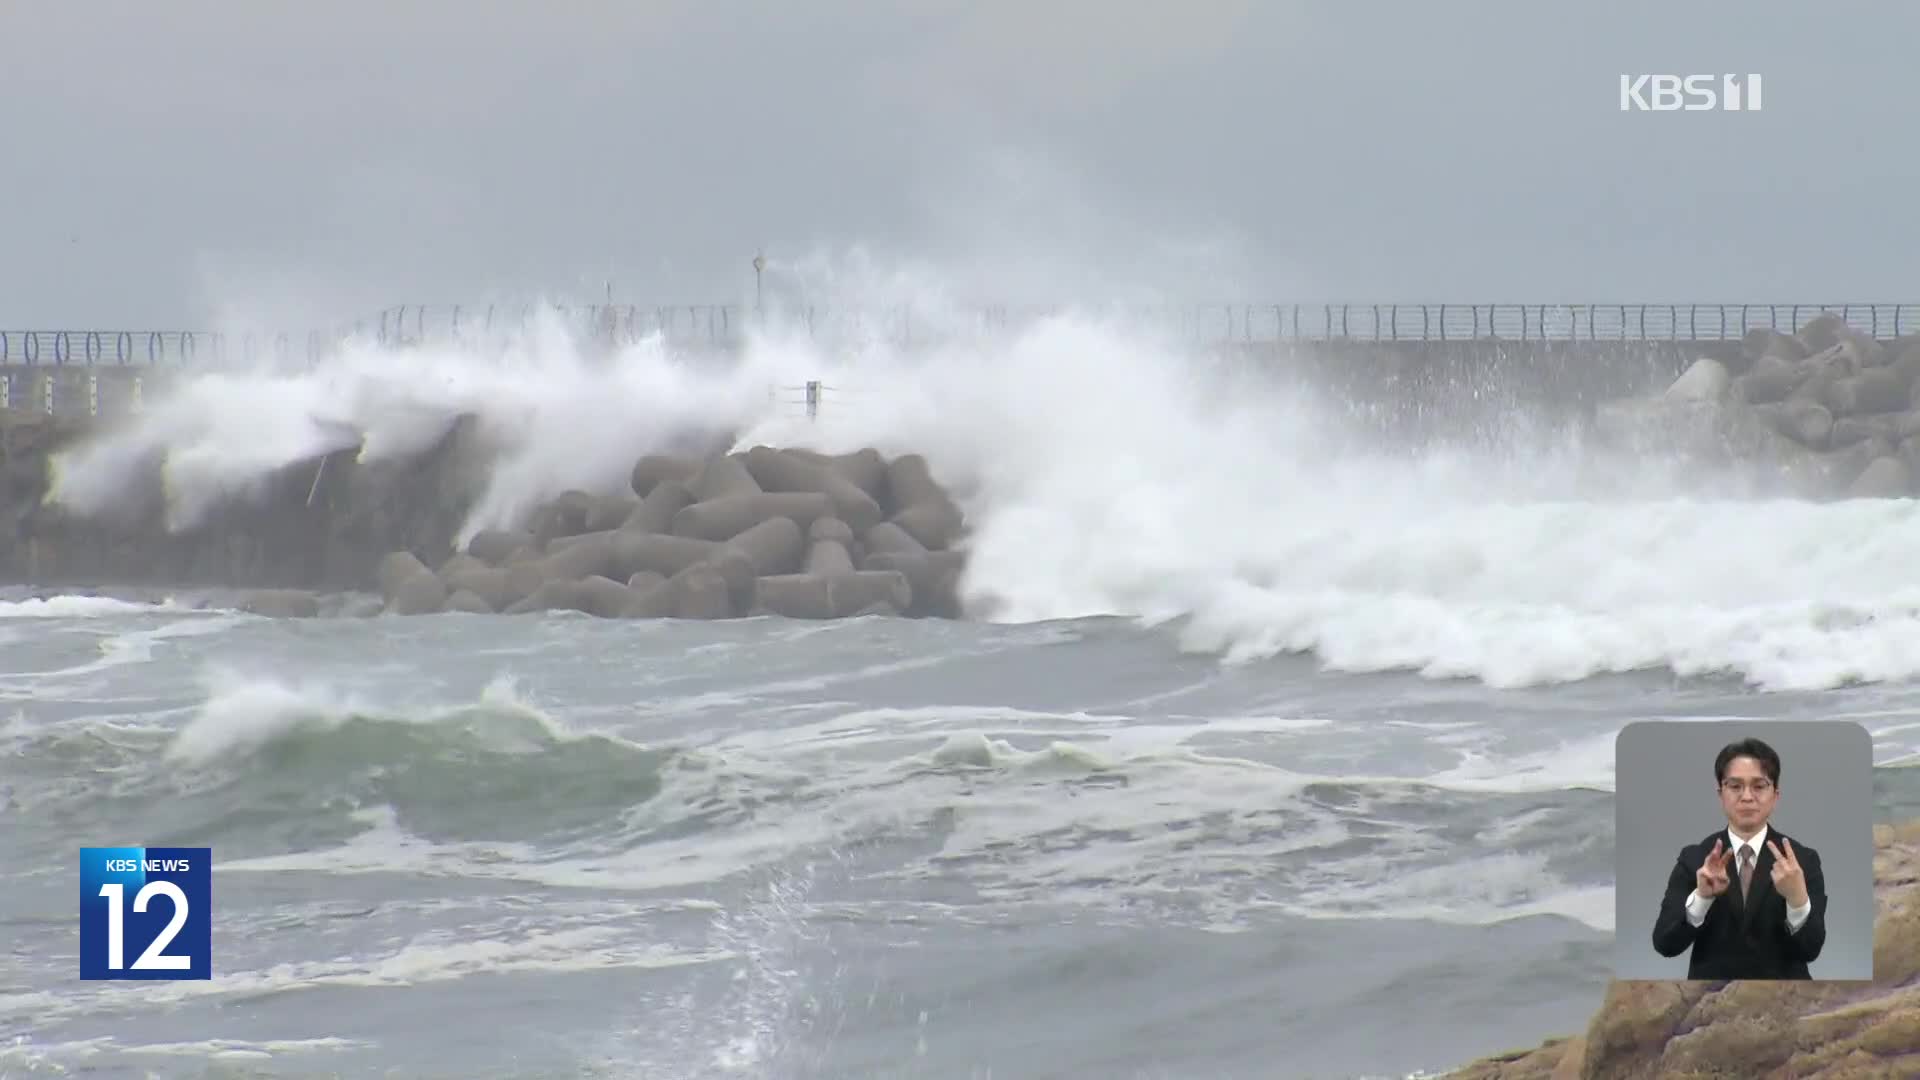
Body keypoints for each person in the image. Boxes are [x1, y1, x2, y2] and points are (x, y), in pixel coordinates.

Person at [1650, 736, 1827, 979]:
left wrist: (1797, 900)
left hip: (1786, 999)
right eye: (1735, 786)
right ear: (1720, 793)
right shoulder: (1694, 859)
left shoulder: (1802, 861)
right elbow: (1665, 944)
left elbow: (1811, 950)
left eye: (1759, 786)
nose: (1746, 797)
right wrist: (1702, 898)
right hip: (1710, 1003)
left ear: (1775, 795)